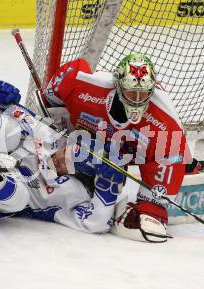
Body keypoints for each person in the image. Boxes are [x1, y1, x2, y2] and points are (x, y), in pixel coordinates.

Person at [21, 54, 188, 242]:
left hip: (129, 154)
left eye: (144, 93)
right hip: (84, 139)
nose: (138, 100)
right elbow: (48, 107)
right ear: (117, 85)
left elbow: (168, 164)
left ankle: (197, 167)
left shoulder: (166, 124)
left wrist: (153, 207)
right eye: (132, 93)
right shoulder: (81, 83)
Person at [0, 86, 124, 234]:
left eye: (68, 164)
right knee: (11, 135)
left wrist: (108, 190)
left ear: (81, 174)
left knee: (18, 198)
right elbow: (5, 111)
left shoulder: (76, 195)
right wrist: (1, 99)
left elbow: (97, 223)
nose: (60, 159)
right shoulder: (49, 134)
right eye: (66, 152)